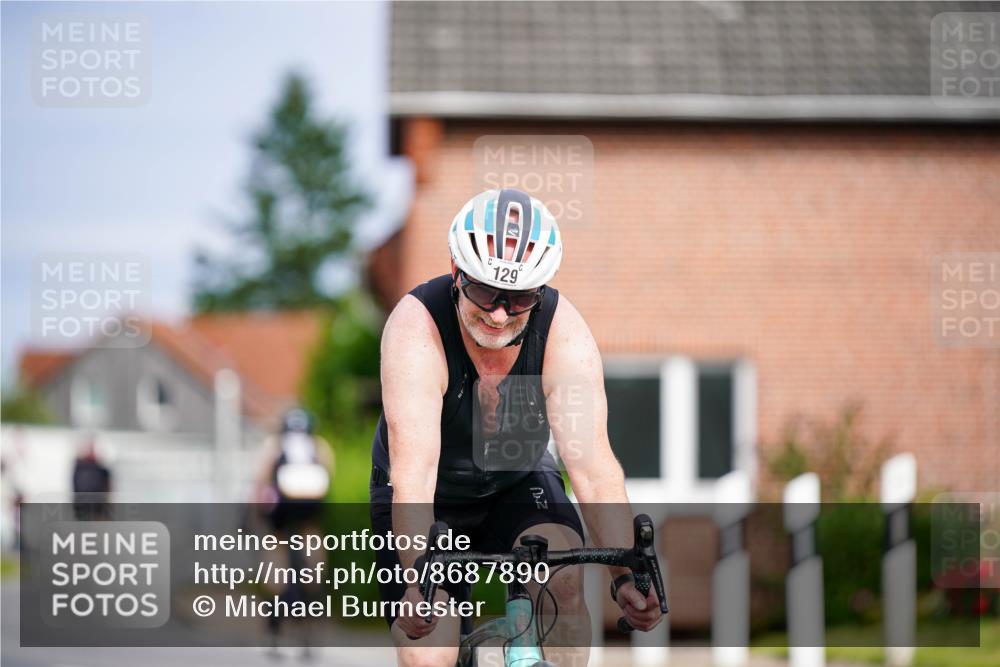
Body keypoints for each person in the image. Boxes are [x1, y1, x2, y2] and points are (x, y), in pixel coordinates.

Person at [370, 188, 662, 667]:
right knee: (430, 650)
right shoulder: (415, 329)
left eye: (520, 297)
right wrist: (414, 581)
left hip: (516, 477)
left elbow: (592, 467)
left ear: (541, 291)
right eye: (484, 291)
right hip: (426, 493)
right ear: (455, 271)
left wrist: (626, 575)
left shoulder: (563, 333)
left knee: (563, 577)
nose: (500, 313)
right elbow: (415, 476)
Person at [254, 407, 334, 658]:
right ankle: (309, 634)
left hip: (279, 519)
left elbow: (261, 482)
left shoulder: (273, 446)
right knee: (313, 569)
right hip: (309, 516)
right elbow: (328, 479)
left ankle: (274, 634)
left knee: (275, 570)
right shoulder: (319, 446)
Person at [72, 436, 111, 520]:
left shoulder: (102, 469)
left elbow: (108, 488)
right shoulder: (79, 467)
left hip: (98, 506)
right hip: (82, 506)